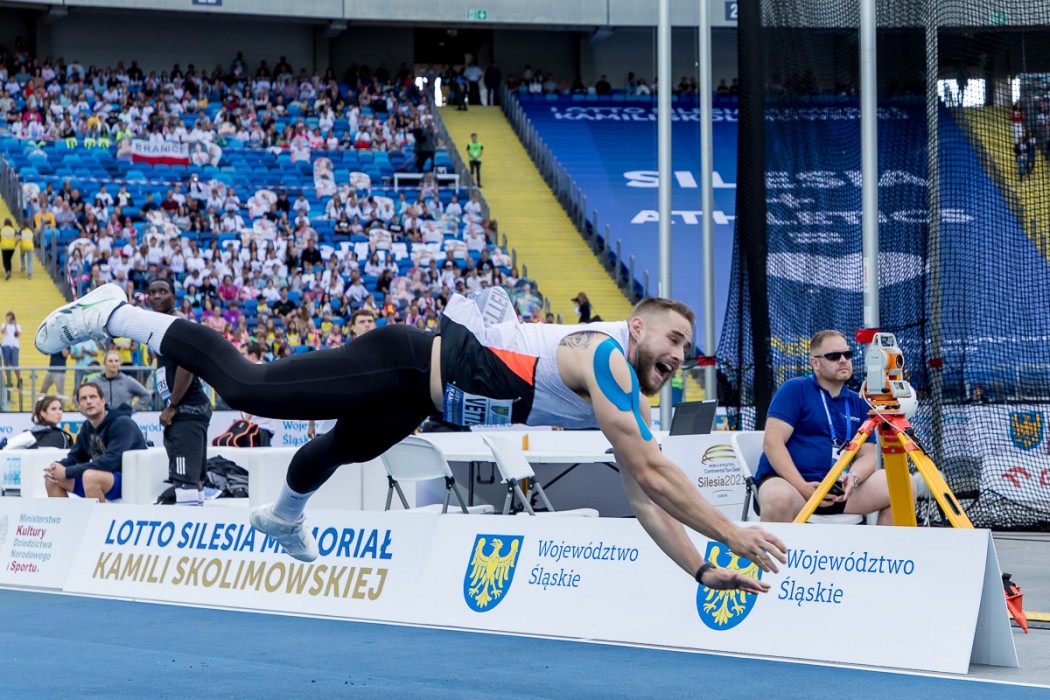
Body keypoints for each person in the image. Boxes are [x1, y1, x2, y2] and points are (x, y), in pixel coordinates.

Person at [37, 284, 787, 592]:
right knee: (249, 388)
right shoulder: (606, 357)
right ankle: (115, 313)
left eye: (689, 349)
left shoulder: (620, 392)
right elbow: (653, 474)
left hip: (419, 398)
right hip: (403, 361)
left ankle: (283, 517)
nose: (680, 356)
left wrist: (699, 567)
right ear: (638, 328)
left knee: (347, 448)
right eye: (674, 339)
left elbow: (644, 497)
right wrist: (733, 533)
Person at [754, 330, 906, 525]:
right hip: (794, 489)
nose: (843, 360)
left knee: (902, 484)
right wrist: (802, 486)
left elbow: (867, 456)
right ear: (815, 363)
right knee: (777, 497)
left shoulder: (859, 402)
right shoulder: (795, 389)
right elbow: (772, 443)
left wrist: (853, 478)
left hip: (839, 490)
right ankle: (777, 548)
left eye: (847, 354)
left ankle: (885, 546)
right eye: (833, 356)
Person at [148, 279, 212, 505]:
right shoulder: (162, 324)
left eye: (162, 291)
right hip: (188, 409)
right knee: (193, 480)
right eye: (152, 292)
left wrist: (172, 405)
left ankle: (187, 521)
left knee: (185, 482)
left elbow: (187, 365)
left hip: (186, 408)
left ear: (174, 298)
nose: (156, 296)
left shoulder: (177, 323)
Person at [43, 381, 147, 501]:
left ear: (102, 400)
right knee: (52, 478)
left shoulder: (122, 423)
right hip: (102, 477)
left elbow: (110, 462)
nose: (88, 401)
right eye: (83, 398)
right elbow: (75, 458)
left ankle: (98, 514)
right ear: (79, 406)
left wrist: (67, 471)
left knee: (90, 476)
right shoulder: (87, 427)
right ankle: (64, 513)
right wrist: (57, 467)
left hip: (129, 479)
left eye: (93, 397)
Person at [308, 308, 376, 439]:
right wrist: (311, 424)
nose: (367, 325)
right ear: (353, 327)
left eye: (370, 321)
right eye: (362, 322)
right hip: (335, 428)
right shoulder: (346, 356)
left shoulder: (381, 355)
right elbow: (314, 395)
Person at [1, 394, 73, 450]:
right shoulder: (58, 435)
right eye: (53, 409)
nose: (59, 412)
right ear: (43, 413)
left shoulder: (31, 434)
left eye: (60, 409)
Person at [1, 310, 21, 390]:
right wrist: (7, 323)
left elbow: (18, 334)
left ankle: (19, 380)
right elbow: (2, 331)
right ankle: (9, 381)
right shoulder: (4, 325)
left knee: (15, 364)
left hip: (14, 346)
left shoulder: (17, 326)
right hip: (5, 346)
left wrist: (15, 324)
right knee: (6, 364)